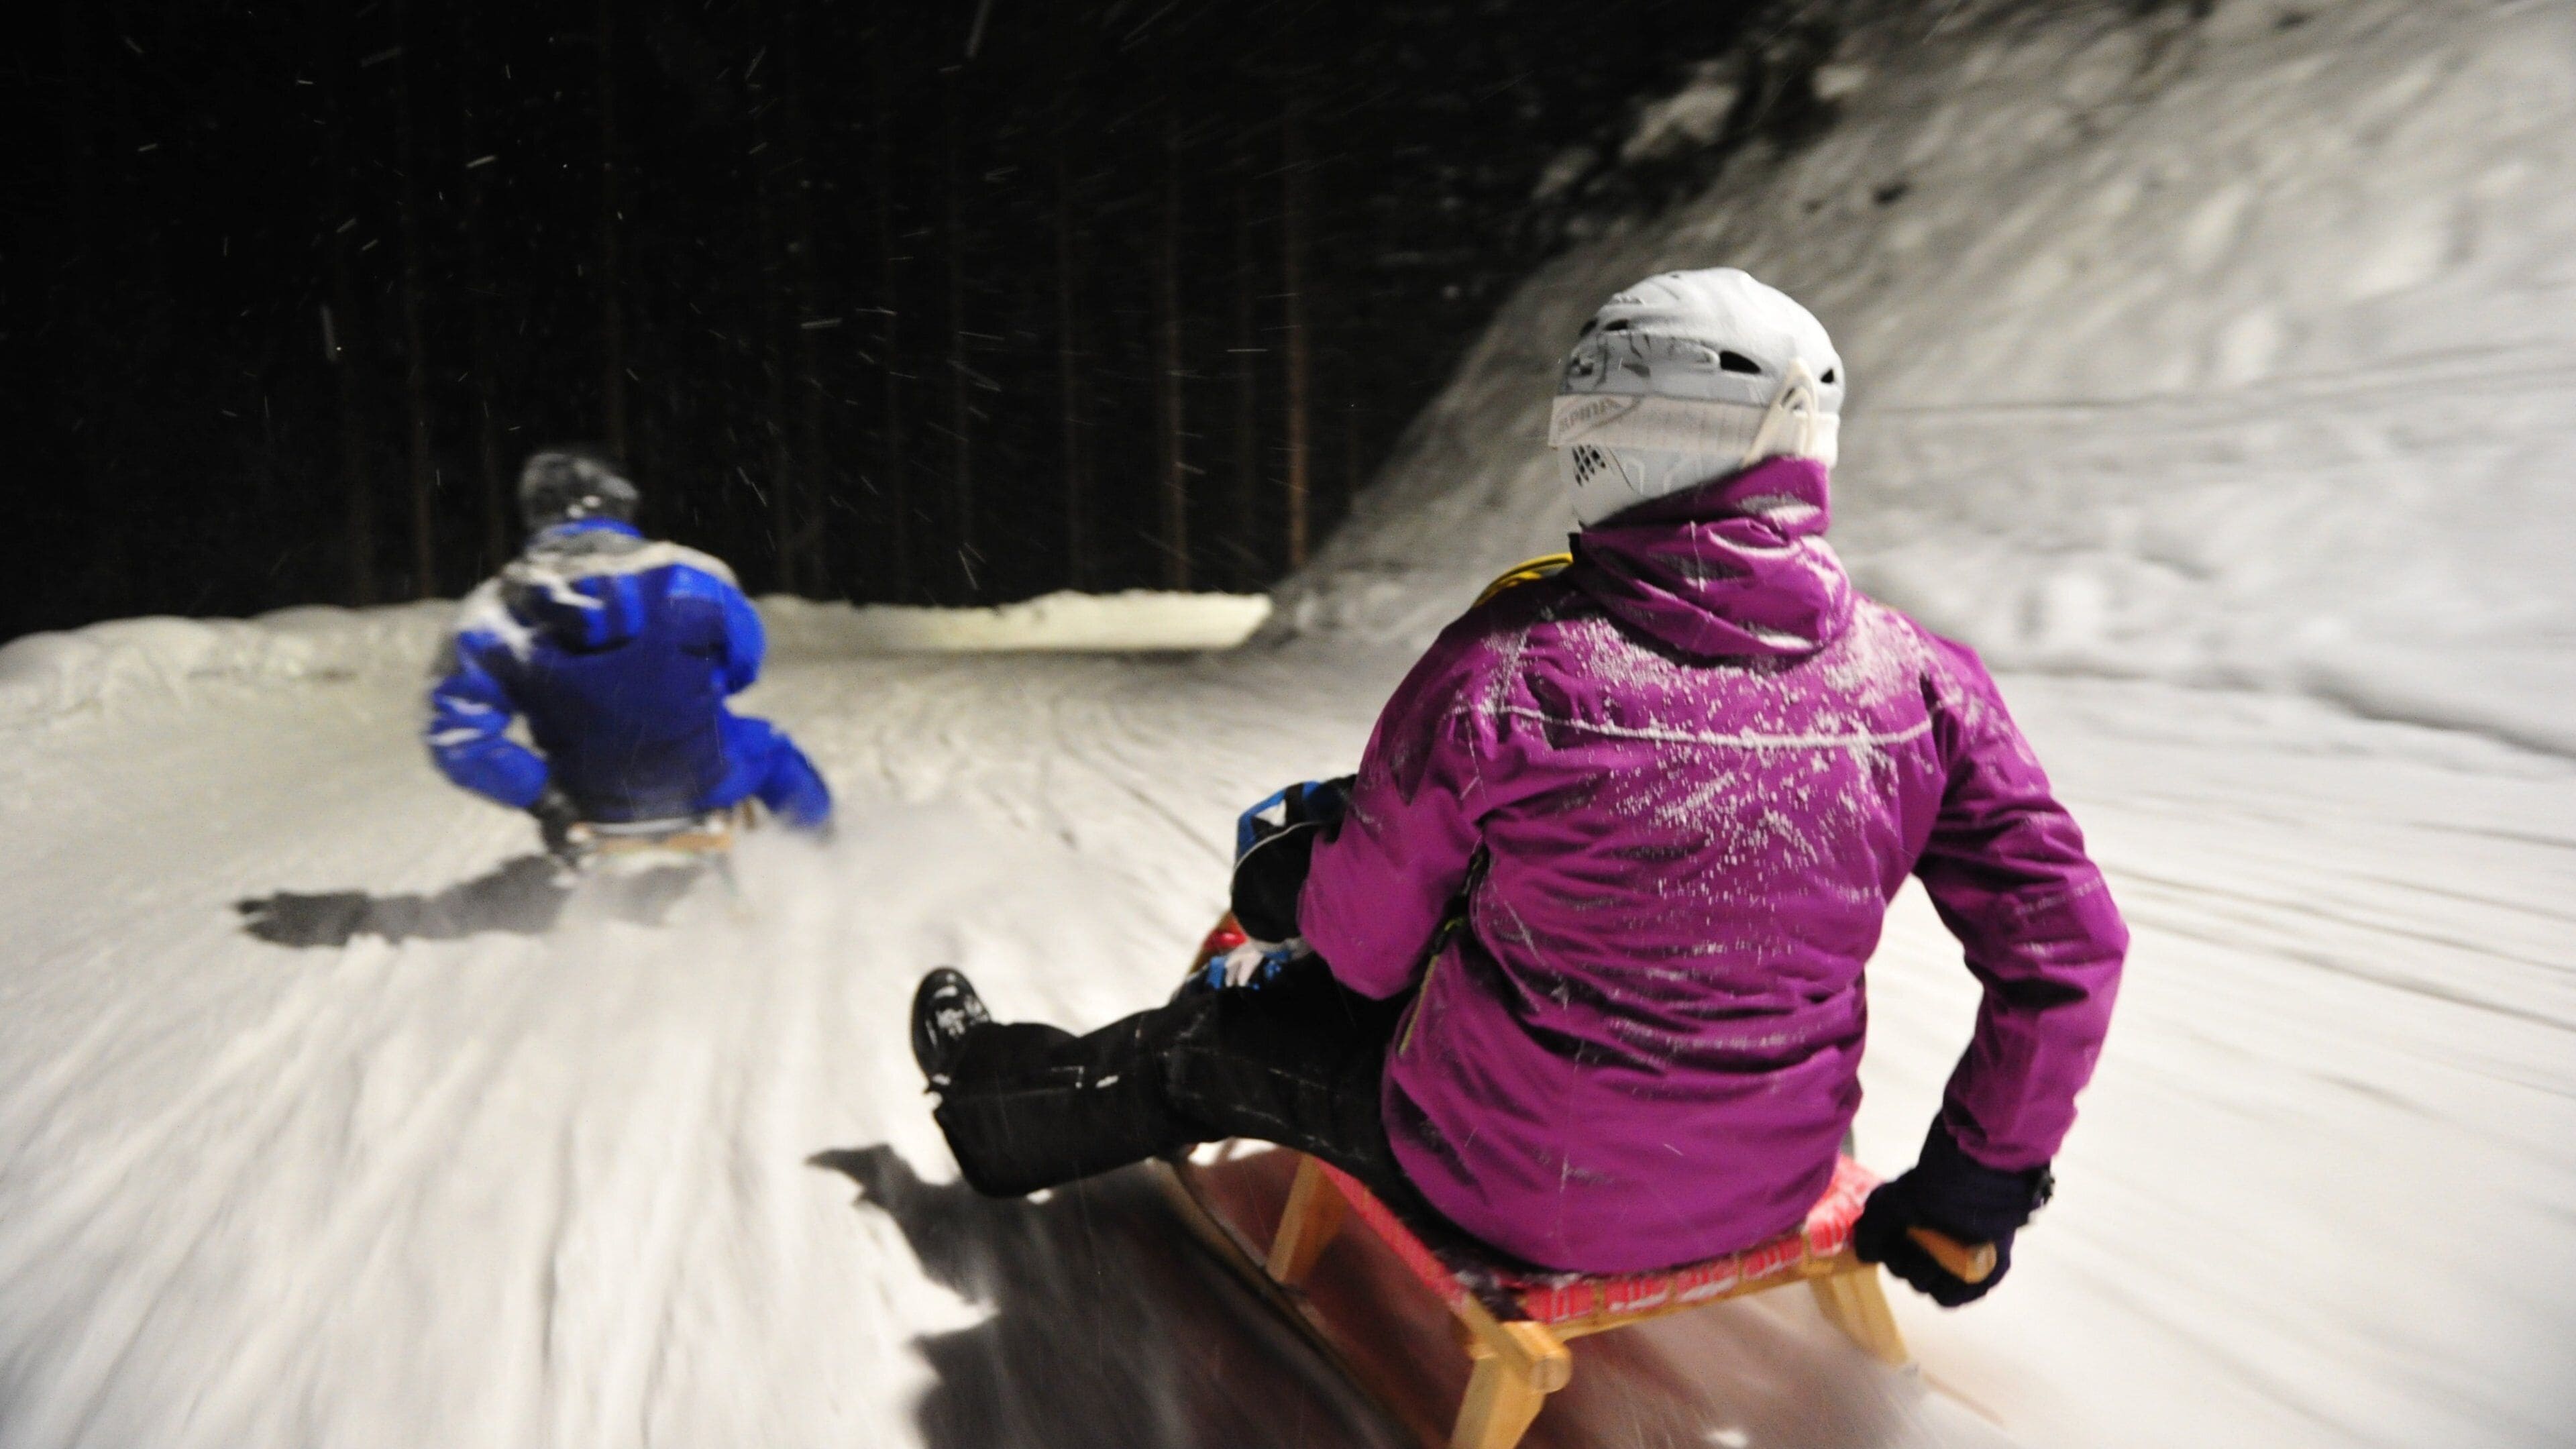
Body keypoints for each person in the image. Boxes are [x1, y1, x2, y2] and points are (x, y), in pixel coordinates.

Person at [909, 269, 2127, 1306]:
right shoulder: (1916, 678)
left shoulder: (1514, 668)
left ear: (1620, 438)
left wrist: (1300, 882)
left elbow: (1365, 958)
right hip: (1780, 1172)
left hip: (1516, 1185)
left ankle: (990, 1107)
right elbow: (2067, 945)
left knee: (1208, 1040)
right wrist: (1975, 1190)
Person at [427, 447, 832, 855]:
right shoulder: (698, 578)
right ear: (620, 500)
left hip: (585, 798)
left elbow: (458, 735)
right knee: (771, 750)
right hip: (705, 777)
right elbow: (744, 666)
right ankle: (826, 854)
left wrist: (546, 800)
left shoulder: (489, 614)